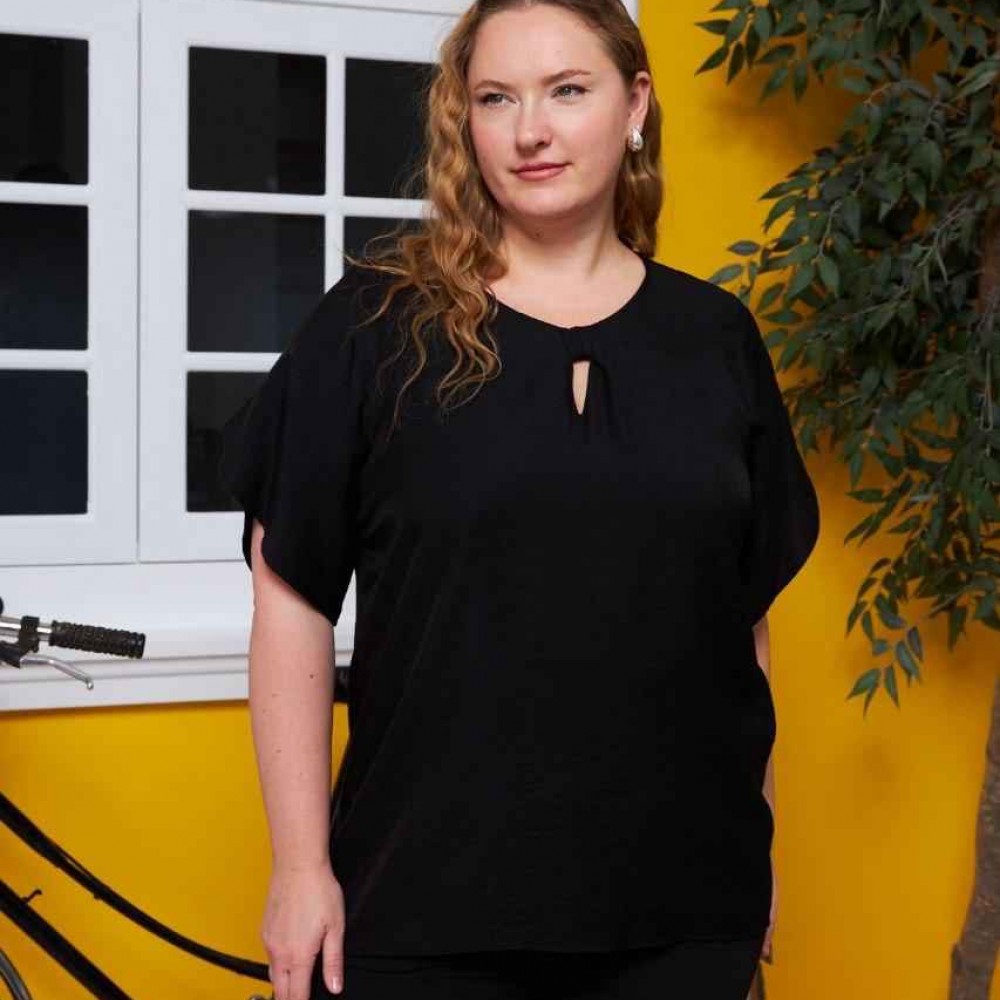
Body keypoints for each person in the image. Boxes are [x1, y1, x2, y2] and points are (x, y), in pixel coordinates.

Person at [219, 1, 821, 998]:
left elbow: (739, 629)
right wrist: (299, 867)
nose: (530, 130)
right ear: (466, 121)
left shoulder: (716, 339)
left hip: (684, 914)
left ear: (635, 104)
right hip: (423, 907)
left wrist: (755, 855)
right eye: (496, 98)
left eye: (566, 90)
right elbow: (289, 598)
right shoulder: (374, 327)